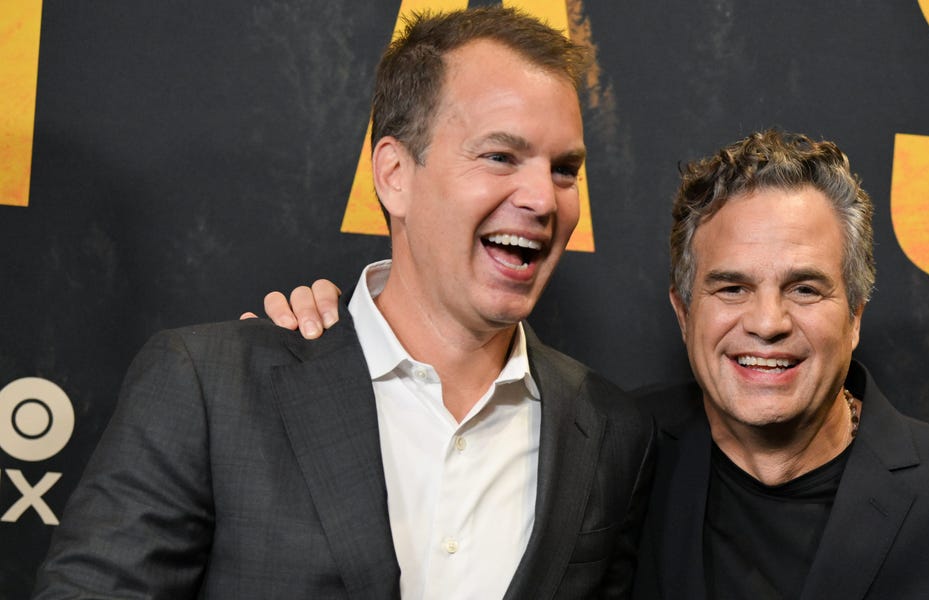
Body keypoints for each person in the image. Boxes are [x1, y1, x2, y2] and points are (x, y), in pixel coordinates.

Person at [264, 130, 929, 598]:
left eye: (806, 288)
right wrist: (327, 347)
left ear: (856, 311)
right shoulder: (601, 450)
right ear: (684, 312)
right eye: (731, 287)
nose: (767, 322)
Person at [34, 7, 654, 599]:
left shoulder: (610, 432)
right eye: (500, 157)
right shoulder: (212, 386)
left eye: (565, 169)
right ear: (394, 174)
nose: (543, 199)